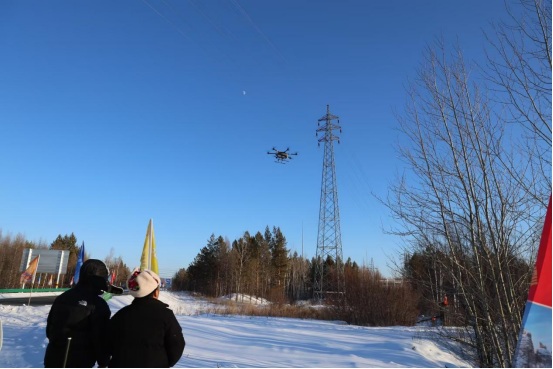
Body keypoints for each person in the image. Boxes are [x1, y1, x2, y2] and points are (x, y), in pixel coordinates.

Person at [44, 259, 123, 368]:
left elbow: (49, 329)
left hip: (53, 357)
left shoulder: (63, 297)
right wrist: (103, 362)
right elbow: (100, 338)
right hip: (80, 360)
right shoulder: (97, 304)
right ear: (100, 278)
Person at [109, 268, 185, 368]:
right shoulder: (166, 315)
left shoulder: (121, 314)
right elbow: (177, 344)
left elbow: (107, 343)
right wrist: (164, 363)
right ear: (155, 292)